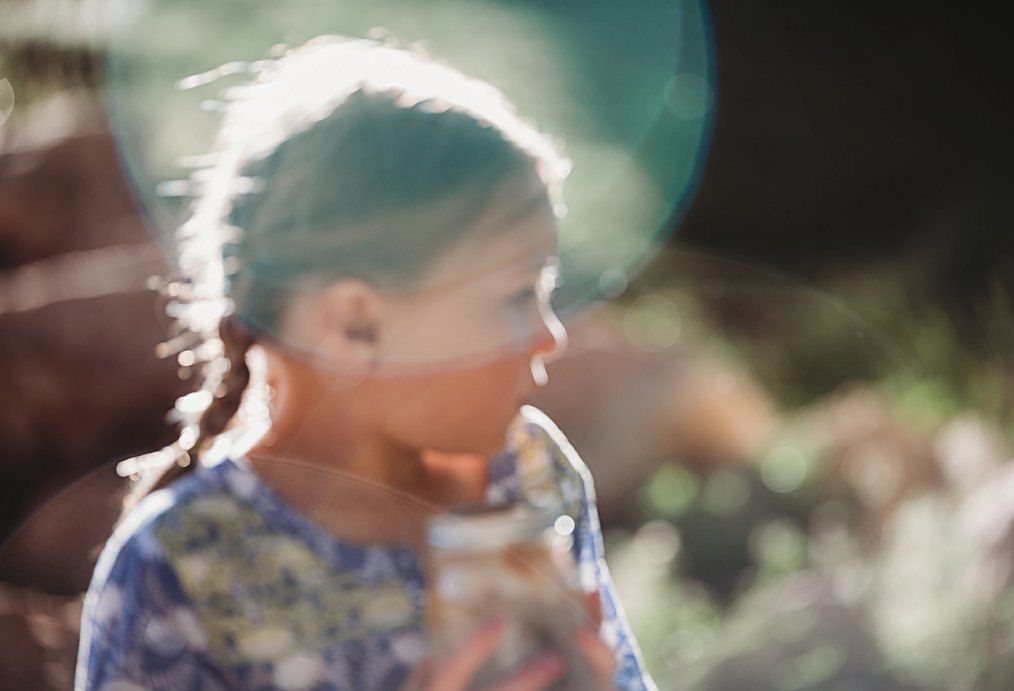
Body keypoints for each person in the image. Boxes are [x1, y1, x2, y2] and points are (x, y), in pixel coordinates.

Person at [75, 35, 652, 690]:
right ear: (356, 323)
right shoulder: (182, 565)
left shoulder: (529, 478)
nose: (551, 336)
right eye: (516, 295)